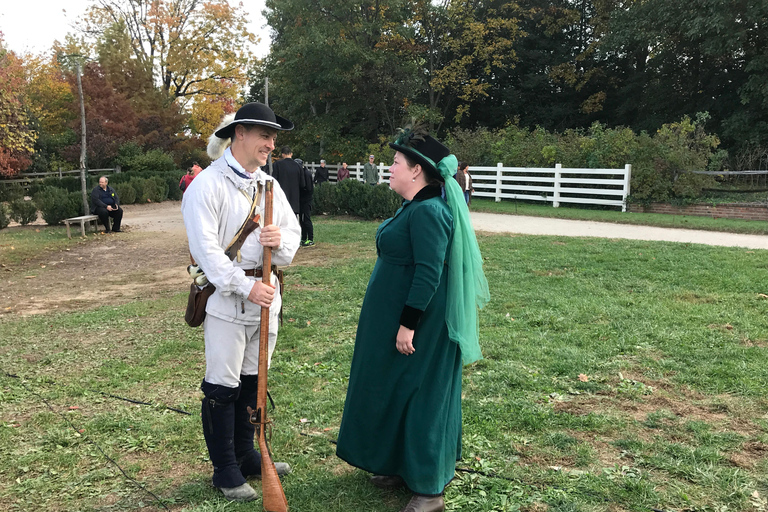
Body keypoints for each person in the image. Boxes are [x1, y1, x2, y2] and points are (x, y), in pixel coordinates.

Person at [336, 128, 490, 512]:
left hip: (421, 324)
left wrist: (408, 324)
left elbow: (428, 273)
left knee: (422, 396)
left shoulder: (430, 212)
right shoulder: (412, 206)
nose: (389, 168)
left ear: (417, 171)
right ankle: (397, 464)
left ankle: (428, 488)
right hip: (396, 319)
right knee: (394, 389)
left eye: (395, 163)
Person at [181, 102, 301, 502]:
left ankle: (247, 454)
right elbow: (207, 252)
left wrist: (278, 243)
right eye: (264, 135)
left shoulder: (269, 186)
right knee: (223, 386)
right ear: (240, 134)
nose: (270, 143)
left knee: (253, 381)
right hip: (227, 301)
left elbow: (292, 234)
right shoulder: (206, 186)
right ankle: (225, 470)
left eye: (273, 137)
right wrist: (244, 286)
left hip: (267, 298)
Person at [271, 146, 305, 215]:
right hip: (294, 200)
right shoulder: (298, 166)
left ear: (282, 154)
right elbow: (302, 184)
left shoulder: (277, 165)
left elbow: (273, 181)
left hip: (281, 198)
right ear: (291, 154)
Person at [296, 158, 315, 246]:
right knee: (302, 220)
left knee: (306, 219)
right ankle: (303, 238)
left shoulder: (306, 173)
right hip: (302, 200)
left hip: (306, 200)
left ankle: (310, 239)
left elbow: (309, 188)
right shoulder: (301, 173)